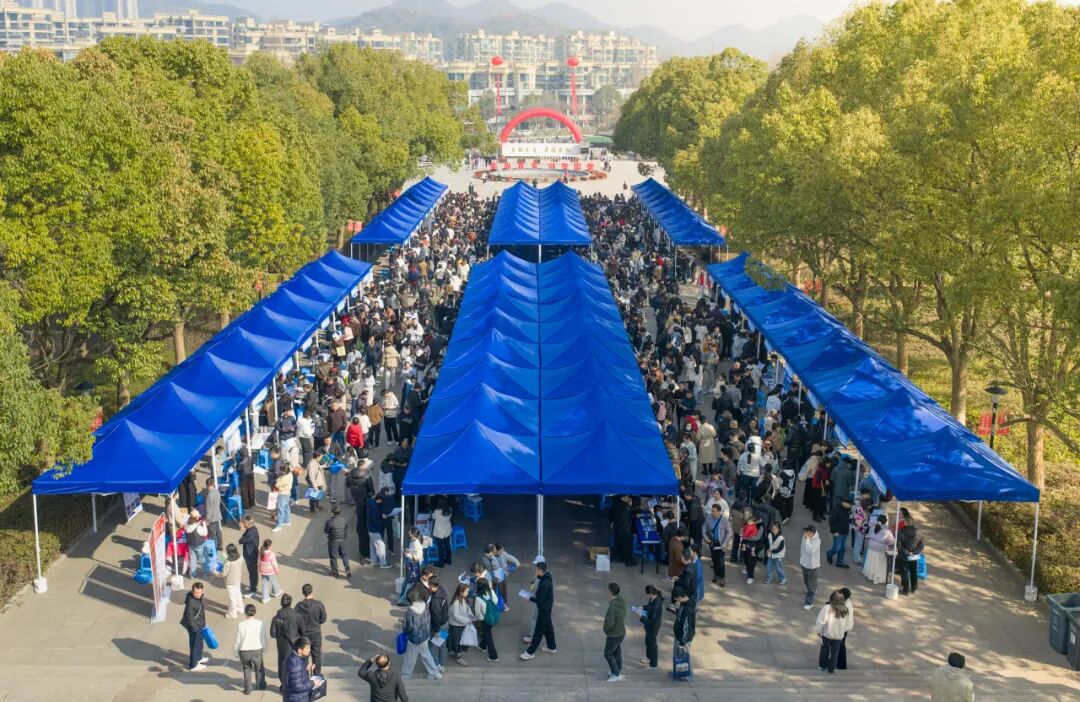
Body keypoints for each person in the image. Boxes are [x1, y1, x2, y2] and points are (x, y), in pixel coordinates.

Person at [401, 589, 443, 679]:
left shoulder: (410, 611)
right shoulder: (425, 606)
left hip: (414, 638)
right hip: (425, 635)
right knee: (426, 654)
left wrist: (404, 627)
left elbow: (409, 627)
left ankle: (406, 675)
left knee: (410, 658)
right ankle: (434, 673)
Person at [520, 561, 556, 659]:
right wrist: (536, 577)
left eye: (536, 570)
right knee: (548, 628)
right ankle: (551, 646)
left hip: (543, 609)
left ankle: (530, 653)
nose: (535, 571)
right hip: (547, 608)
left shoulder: (544, 585)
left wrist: (528, 597)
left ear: (540, 570)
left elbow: (539, 600)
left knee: (538, 633)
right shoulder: (547, 576)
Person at [816, 590, 854, 674]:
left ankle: (822, 665)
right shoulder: (845, 609)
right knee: (835, 653)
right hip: (839, 635)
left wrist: (819, 631)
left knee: (824, 651)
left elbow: (821, 621)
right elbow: (847, 622)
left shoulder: (827, 608)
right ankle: (831, 668)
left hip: (827, 634)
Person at [270, 594, 304, 687]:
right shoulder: (297, 616)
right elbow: (303, 631)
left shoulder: (276, 617)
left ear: (281, 603)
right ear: (290, 603)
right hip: (294, 643)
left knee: (282, 665)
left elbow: (273, 634)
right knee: (294, 664)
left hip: (281, 645)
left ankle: (284, 684)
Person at [234, 603, 268, 694]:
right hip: (257, 649)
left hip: (244, 651)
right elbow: (263, 637)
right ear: (254, 612)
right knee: (259, 669)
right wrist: (264, 648)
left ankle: (248, 689)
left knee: (246, 669)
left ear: (245, 613)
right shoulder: (260, 623)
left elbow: (238, 639)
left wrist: (236, 651)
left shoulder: (241, 624)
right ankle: (260, 686)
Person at [295, 584, 327, 676]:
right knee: (316, 655)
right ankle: (316, 674)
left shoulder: (299, 606)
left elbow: (296, 620)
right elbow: (323, 619)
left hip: (304, 634)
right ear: (311, 591)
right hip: (316, 633)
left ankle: (304, 674)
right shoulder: (318, 604)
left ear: (303, 593)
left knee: (304, 655)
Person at [282, 637, 323, 701]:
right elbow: (297, 687)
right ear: (299, 650)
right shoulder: (296, 665)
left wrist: (305, 669)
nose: (309, 650)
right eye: (307, 648)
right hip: (298, 698)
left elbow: (295, 676)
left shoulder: (293, 657)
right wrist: (313, 683)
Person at [180, 581, 208, 672]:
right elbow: (189, 617)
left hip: (200, 625)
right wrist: (195, 628)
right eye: (196, 593)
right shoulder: (191, 603)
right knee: (194, 645)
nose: (198, 594)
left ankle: (199, 657)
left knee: (200, 642)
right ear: (192, 591)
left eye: (199, 592)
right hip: (195, 627)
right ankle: (193, 665)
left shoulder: (198, 598)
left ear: (202, 590)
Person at [602, 582, 627, 682]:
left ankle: (616, 674)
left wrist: (606, 630)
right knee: (617, 652)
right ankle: (617, 670)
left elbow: (609, 622)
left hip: (614, 634)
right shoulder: (622, 601)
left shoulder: (612, 606)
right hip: (621, 632)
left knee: (608, 654)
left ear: (610, 592)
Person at [670, 587, 696, 681]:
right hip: (679, 633)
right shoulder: (684, 604)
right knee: (677, 655)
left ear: (680, 597)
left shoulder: (687, 609)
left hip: (684, 637)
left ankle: (688, 675)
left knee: (685, 655)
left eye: (677, 599)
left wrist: (682, 642)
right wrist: (677, 609)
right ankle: (678, 672)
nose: (676, 601)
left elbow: (686, 627)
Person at [862, 515, 895, 585]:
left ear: (877, 520)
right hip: (880, 550)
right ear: (886, 521)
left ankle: (870, 575)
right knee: (879, 565)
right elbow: (891, 542)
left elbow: (868, 535)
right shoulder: (887, 531)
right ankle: (878, 578)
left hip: (871, 548)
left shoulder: (872, 527)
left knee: (871, 563)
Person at [447, 583, 474, 666]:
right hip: (456, 626)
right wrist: (468, 620)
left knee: (456, 640)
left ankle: (454, 652)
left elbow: (467, 608)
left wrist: (471, 615)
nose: (467, 593)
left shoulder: (462, 599)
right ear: (461, 592)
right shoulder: (456, 602)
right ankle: (458, 656)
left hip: (460, 625)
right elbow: (456, 616)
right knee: (458, 641)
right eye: (466, 591)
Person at [704, 502, 730, 586]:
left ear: (719, 512)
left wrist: (725, 544)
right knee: (714, 561)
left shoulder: (724, 520)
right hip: (712, 543)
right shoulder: (709, 519)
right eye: (712, 511)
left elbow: (729, 533)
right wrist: (706, 538)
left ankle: (722, 578)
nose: (712, 512)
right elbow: (704, 529)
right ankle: (716, 575)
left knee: (721, 563)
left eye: (714, 511)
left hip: (721, 544)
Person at [427, 575, 450, 669]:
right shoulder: (442, 590)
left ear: (432, 585)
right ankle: (442, 663)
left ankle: (436, 664)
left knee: (432, 645)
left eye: (429, 584)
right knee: (442, 645)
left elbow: (436, 616)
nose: (428, 586)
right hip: (445, 623)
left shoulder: (435, 600)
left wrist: (436, 631)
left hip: (438, 626)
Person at [638, 584, 664, 669]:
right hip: (649, 626)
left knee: (652, 645)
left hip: (653, 627)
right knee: (648, 642)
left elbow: (652, 621)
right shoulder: (652, 599)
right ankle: (649, 659)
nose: (648, 596)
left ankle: (653, 665)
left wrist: (641, 617)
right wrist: (643, 607)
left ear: (651, 594)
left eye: (648, 594)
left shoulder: (657, 605)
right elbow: (649, 606)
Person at [897, 519, 925, 596]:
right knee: (913, 572)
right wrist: (914, 552)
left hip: (903, 555)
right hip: (913, 556)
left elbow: (898, 545)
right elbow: (922, 545)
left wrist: (907, 552)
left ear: (905, 523)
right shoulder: (918, 531)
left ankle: (905, 590)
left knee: (904, 573)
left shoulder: (901, 531)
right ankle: (914, 588)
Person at [476, 578, 500, 662]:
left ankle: (493, 656)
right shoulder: (491, 592)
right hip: (493, 616)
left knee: (488, 636)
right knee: (487, 633)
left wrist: (479, 619)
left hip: (485, 619)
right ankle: (482, 646)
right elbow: (496, 601)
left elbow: (477, 613)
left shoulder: (478, 598)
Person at [324, 505, 351, 578]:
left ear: (332, 513)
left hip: (333, 541)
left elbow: (326, 531)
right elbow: (345, 528)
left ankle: (335, 572)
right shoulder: (344, 520)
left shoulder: (329, 522)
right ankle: (347, 570)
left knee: (333, 557)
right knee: (344, 555)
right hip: (342, 540)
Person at [826, 497, 852, 569]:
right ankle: (829, 553)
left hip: (845, 532)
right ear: (844, 502)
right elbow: (831, 521)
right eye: (850, 504)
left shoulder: (847, 509)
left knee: (842, 548)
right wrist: (834, 531)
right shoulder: (836, 509)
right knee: (837, 547)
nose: (851, 506)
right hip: (838, 533)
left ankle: (839, 562)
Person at [367, 492, 392, 568]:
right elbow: (376, 520)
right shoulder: (374, 507)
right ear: (379, 499)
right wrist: (381, 522)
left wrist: (380, 515)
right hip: (375, 529)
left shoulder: (371, 503)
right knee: (381, 546)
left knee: (373, 545)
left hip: (370, 528)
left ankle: (374, 561)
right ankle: (383, 563)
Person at [185, 509, 211, 578]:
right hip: (200, 544)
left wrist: (198, 523)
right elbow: (205, 533)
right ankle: (206, 572)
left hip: (191, 544)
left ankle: (192, 574)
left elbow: (192, 526)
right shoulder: (198, 527)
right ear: (196, 517)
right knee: (203, 559)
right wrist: (204, 525)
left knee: (192, 559)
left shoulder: (186, 524)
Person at [800, 525, 821, 610]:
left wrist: (807, 540)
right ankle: (812, 589)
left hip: (812, 565)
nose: (805, 534)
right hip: (804, 563)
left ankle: (809, 602)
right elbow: (802, 548)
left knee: (811, 584)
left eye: (807, 532)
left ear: (812, 533)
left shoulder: (817, 541)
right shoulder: (804, 537)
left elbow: (810, 551)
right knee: (806, 580)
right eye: (805, 532)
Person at [221, 543, 245, 619]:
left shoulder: (228, 562)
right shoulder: (240, 557)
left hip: (230, 582)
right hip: (238, 579)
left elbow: (223, 574)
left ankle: (233, 613)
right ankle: (240, 608)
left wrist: (215, 571)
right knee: (238, 593)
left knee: (232, 598)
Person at [258, 539, 282, 603]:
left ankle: (265, 598)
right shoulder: (271, 554)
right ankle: (276, 592)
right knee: (274, 582)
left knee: (264, 584)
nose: (272, 546)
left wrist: (259, 568)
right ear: (269, 546)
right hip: (270, 571)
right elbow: (274, 564)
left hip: (263, 571)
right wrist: (277, 570)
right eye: (272, 545)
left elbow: (258, 561)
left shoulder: (261, 552)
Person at [202, 478, 223, 550]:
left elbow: (208, 509)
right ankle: (220, 545)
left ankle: (215, 547)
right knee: (218, 531)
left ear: (207, 485)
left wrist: (207, 519)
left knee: (213, 533)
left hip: (211, 517)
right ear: (213, 483)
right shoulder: (217, 491)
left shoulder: (209, 495)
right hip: (217, 514)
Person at [432, 498, 453, 567]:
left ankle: (441, 563)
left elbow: (433, 517)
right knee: (447, 546)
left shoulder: (437, 511)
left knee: (440, 548)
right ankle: (448, 560)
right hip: (447, 531)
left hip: (439, 533)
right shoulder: (449, 509)